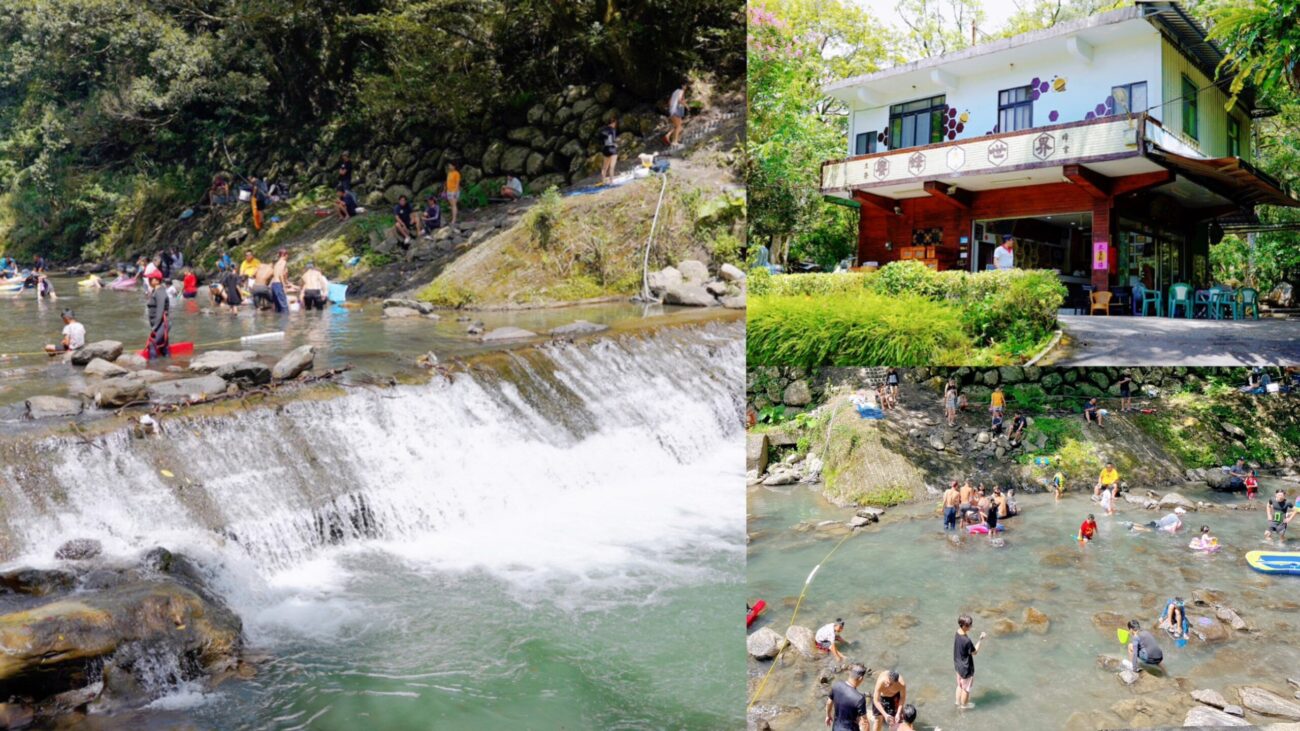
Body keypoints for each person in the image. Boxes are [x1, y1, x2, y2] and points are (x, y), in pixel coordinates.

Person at [953, 614, 986, 709]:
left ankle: (957, 703)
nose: (971, 626)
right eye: (969, 625)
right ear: (963, 626)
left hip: (958, 665)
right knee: (966, 689)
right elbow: (974, 652)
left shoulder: (957, 632)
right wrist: (980, 639)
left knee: (959, 685)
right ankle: (964, 706)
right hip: (966, 669)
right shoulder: (967, 641)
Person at [826, 664, 870, 731]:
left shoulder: (837, 685)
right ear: (861, 678)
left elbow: (829, 703)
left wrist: (828, 716)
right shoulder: (859, 698)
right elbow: (865, 723)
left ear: (850, 673)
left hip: (836, 728)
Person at [144, 271, 170, 359]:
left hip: (162, 324)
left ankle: (153, 367)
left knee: (152, 344)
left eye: (151, 279)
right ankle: (167, 363)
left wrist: (154, 327)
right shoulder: (156, 291)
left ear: (157, 280)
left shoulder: (160, 292)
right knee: (163, 346)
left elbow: (160, 310)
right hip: (160, 324)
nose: (149, 280)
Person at [665, 82, 687, 148]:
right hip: (675, 111)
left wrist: (671, 109)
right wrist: (686, 105)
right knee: (678, 126)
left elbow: (669, 102)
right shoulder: (681, 91)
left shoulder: (674, 92)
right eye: (685, 86)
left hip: (672, 111)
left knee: (679, 126)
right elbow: (680, 100)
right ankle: (674, 142)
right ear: (683, 86)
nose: (686, 87)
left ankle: (668, 136)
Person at [599, 116, 619, 186]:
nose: (615, 125)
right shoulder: (613, 129)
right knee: (612, 167)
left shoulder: (603, 130)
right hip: (612, 149)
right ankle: (611, 182)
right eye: (615, 123)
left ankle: (604, 182)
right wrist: (615, 144)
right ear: (613, 123)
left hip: (605, 149)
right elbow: (613, 140)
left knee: (604, 167)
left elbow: (601, 140)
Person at [271, 249, 291, 313]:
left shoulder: (276, 263)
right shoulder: (283, 262)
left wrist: (286, 281)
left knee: (278, 308)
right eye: (287, 255)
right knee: (284, 307)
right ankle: (285, 322)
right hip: (278, 284)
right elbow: (280, 274)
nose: (288, 256)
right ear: (283, 255)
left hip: (273, 285)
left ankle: (278, 322)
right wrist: (284, 286)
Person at [445, 162, 461, 226]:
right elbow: (447, 182)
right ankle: (453, 218)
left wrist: (455, 192)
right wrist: (445, 190)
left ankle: (454, 219)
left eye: (451, 165)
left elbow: (457, 183)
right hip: (449, 190)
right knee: (452, 205)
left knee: (454, 205)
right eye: (449, 166)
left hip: (454, 191)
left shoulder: (456, 173)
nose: (449, 167)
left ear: (454, 166)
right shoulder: (449, 173)